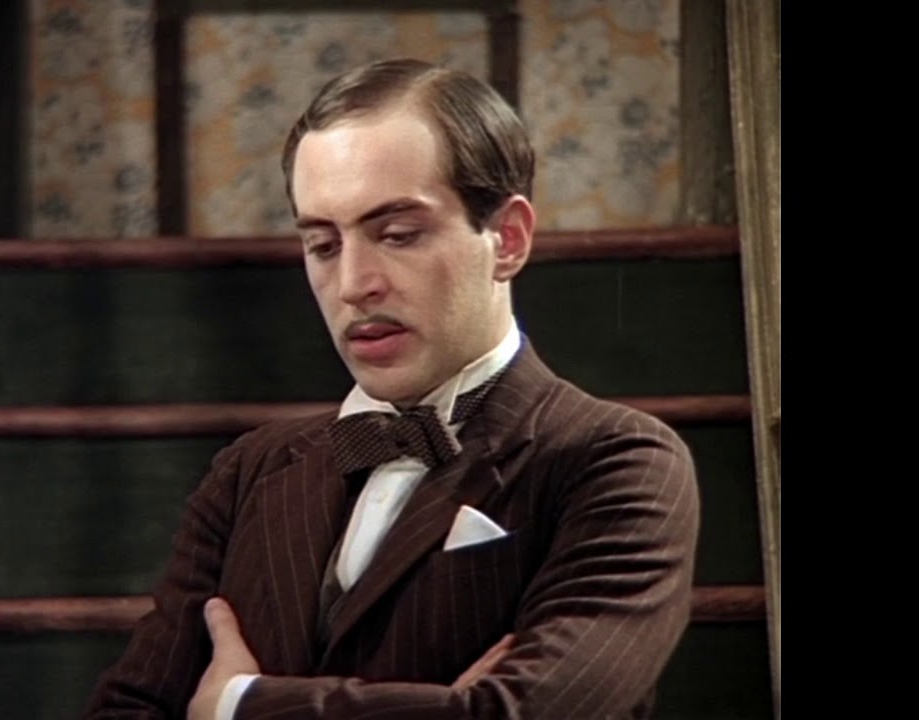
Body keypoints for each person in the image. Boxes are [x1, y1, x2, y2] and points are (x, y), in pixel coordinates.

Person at [85, 58, 699, 719]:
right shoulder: (248, 471)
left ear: (508, 240)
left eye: (398, 235)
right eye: (323, 245)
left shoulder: (617, 461)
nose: (354, 284)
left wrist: (238, 704)